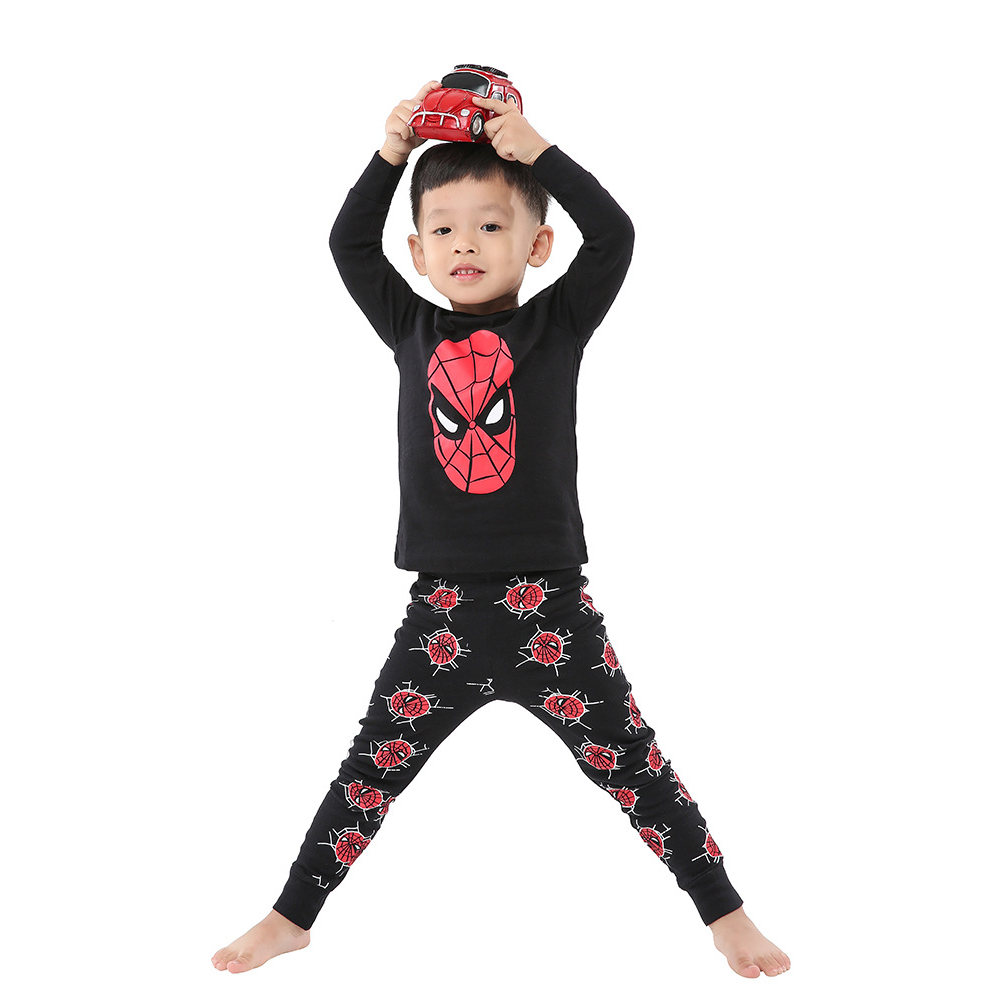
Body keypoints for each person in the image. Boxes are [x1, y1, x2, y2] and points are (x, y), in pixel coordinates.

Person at [212, 78, 790, 980]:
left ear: (538, 244)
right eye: (444, 230)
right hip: (440, 614)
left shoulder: (558, 323)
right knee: (368, 772)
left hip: (549, 611)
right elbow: (347, 242)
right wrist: (391, 155)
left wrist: (538, 152)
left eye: (490, 225)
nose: (465, 244)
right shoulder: (409, 324)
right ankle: (292, 916)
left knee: (636, 767)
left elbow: (616, 236)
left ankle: (727, 915)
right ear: (417, 251)